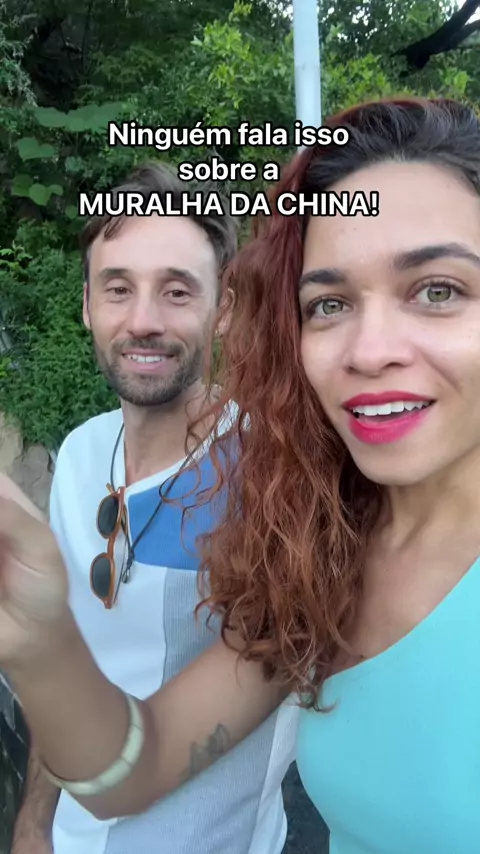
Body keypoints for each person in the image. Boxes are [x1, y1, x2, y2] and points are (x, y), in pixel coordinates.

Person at [1, 96, 479, 854]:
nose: (369, 349)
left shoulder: (271, 484)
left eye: (438, 290)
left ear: (225, 308)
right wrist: (35, 641)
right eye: (329, 303)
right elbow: (133, 762)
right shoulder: (323, 536)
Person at [7, 162, 298, 854]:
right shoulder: (82, 454)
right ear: (86, 304)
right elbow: (75, 660)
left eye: (176, 290)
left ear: (223, 309)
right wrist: (35, 822)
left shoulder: (276, 483)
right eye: (118, 288)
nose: (143, 321)